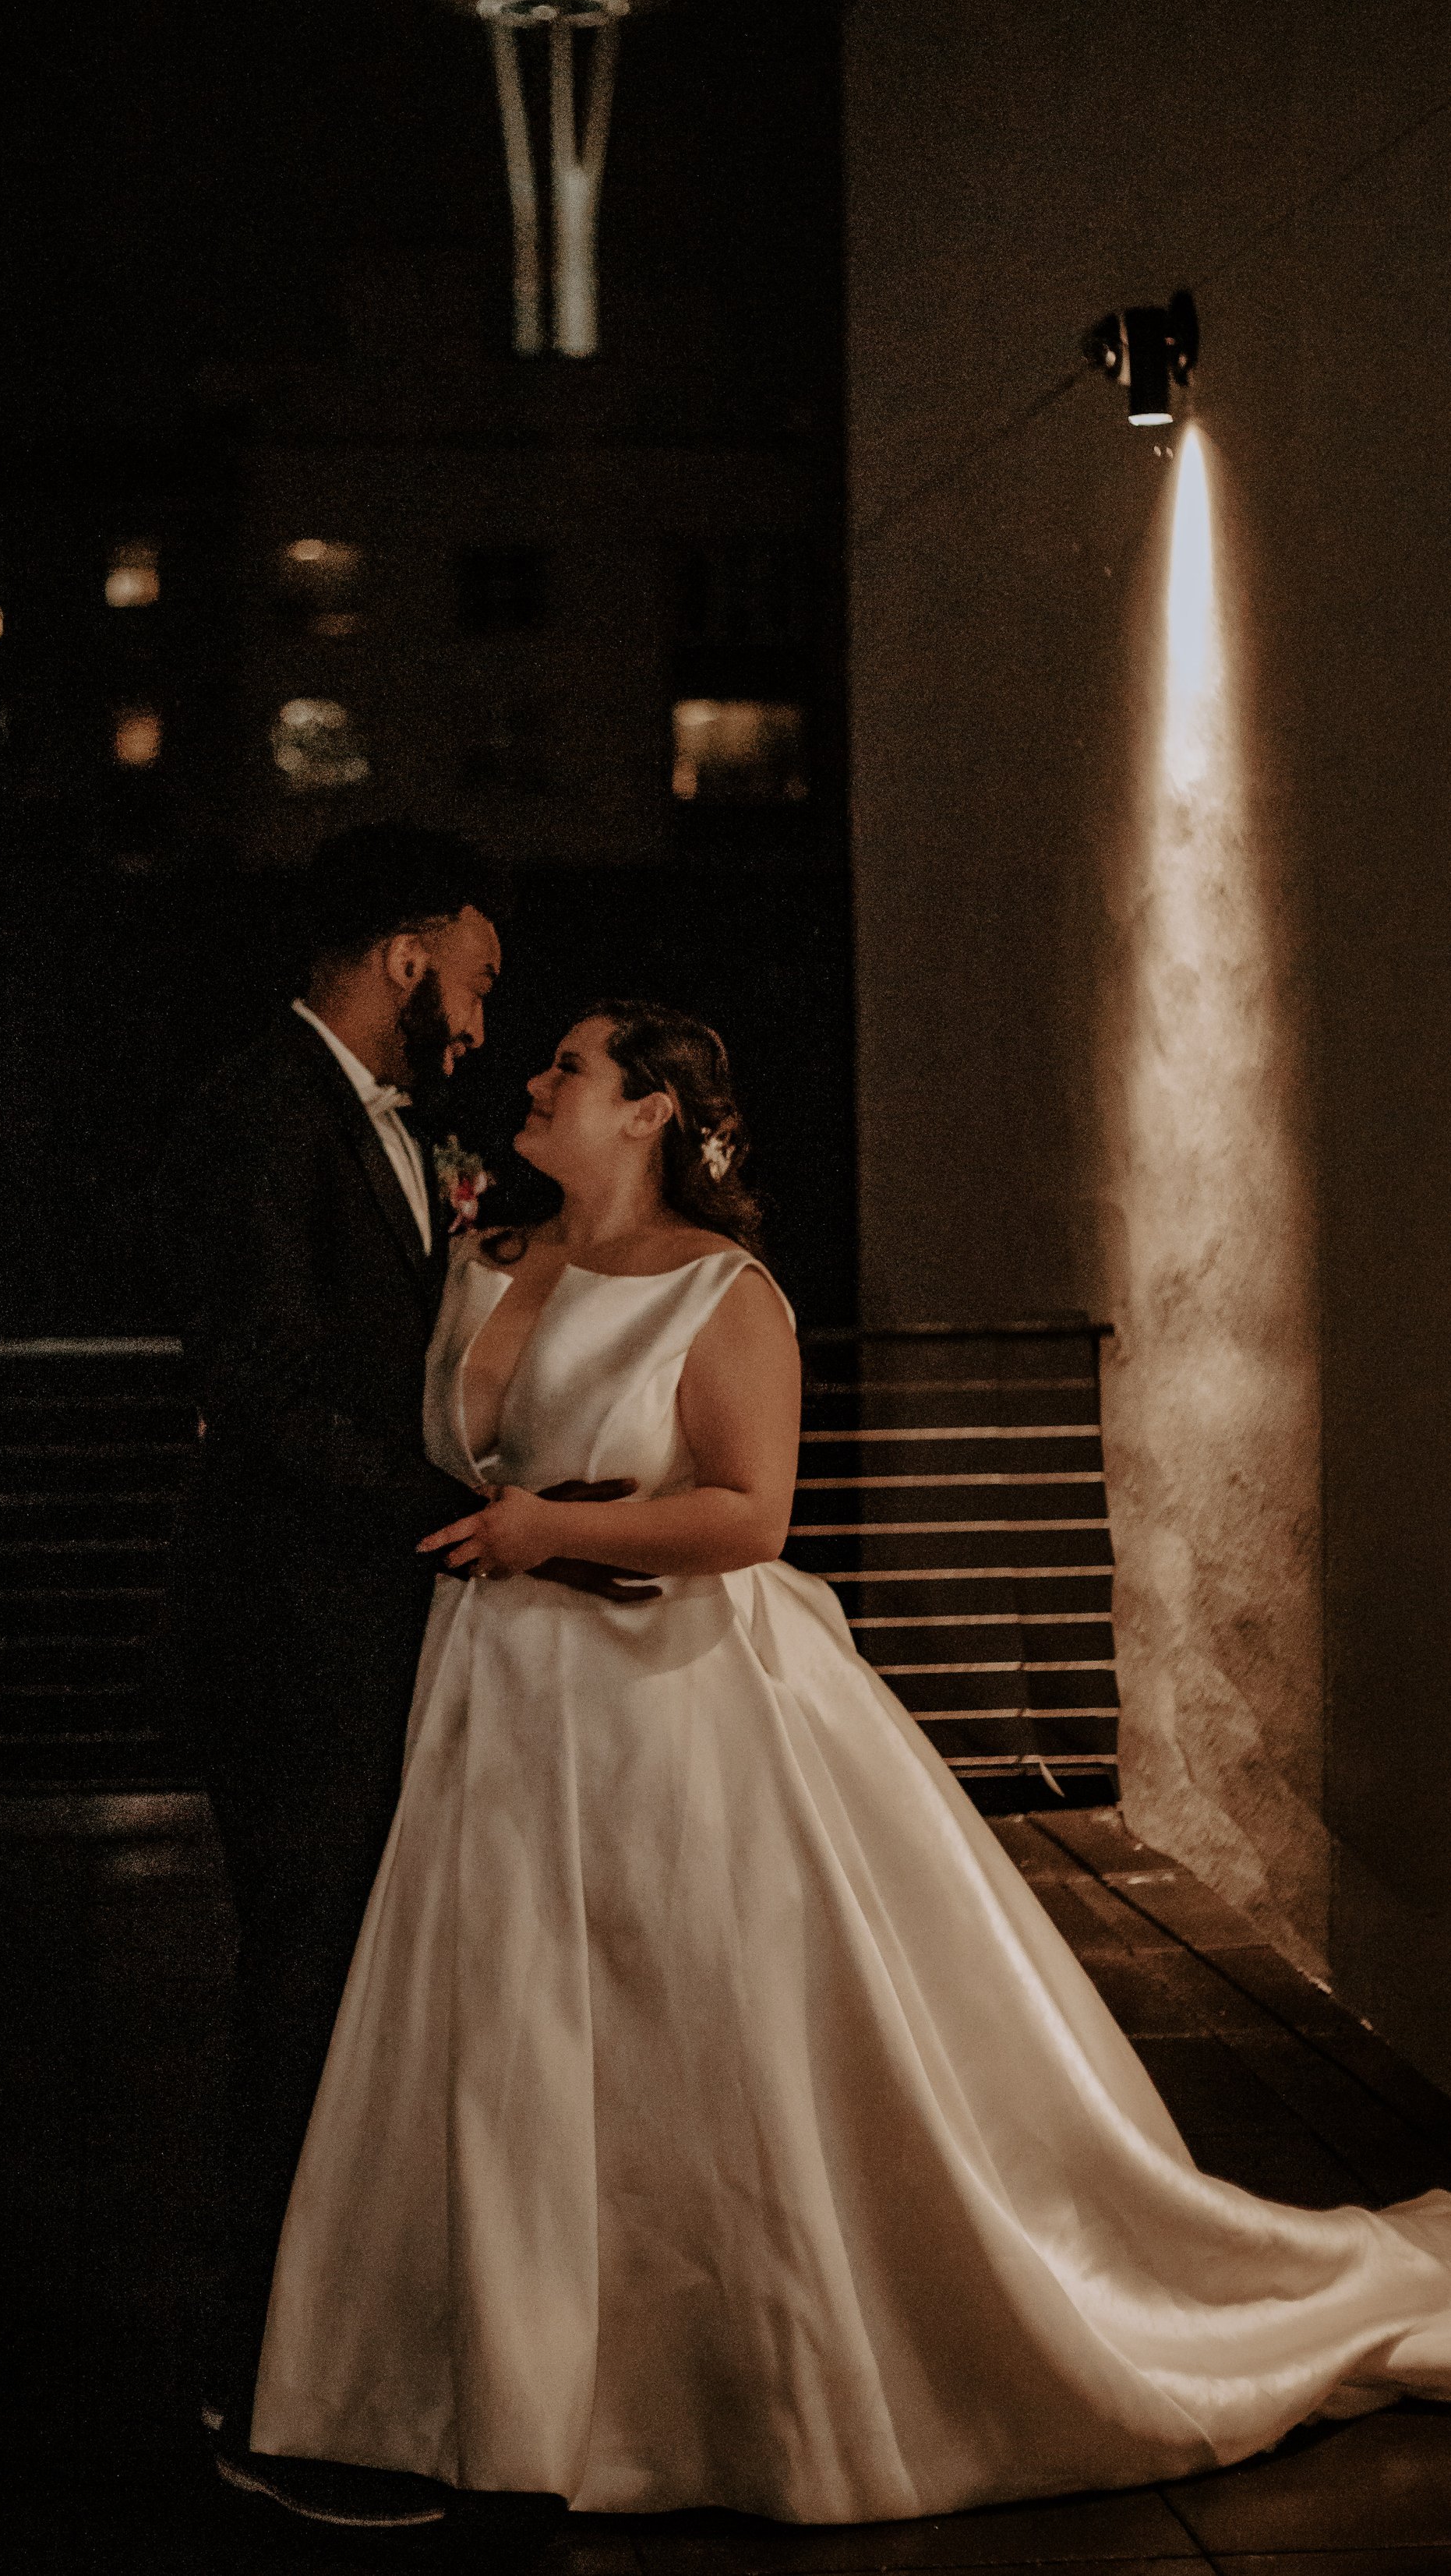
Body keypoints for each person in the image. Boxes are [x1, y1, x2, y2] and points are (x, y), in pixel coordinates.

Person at [249, 998, 1451, 2525]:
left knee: (688, 2014)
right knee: (508, 2025)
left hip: (663, 1704)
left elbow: (749, 1514)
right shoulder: (485, 1259)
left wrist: (552, 1529)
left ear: (651, 1113)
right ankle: (519, 2379)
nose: (534, 1080)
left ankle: (723, 2382)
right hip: (491, 1693)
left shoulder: (722, 1290)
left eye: (571, 1066)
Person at [157, 827, 649, 2531]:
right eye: (477, 976)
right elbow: (270, 1386)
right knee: (302, 1995)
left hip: (375, 1626)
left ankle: (355, 2353)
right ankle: (257, 2390)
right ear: (405, 950)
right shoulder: (256, 1109)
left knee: (363, 1997)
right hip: (292, 1632)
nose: (483, 1018)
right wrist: (474, 1519)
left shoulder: (389, 1123)